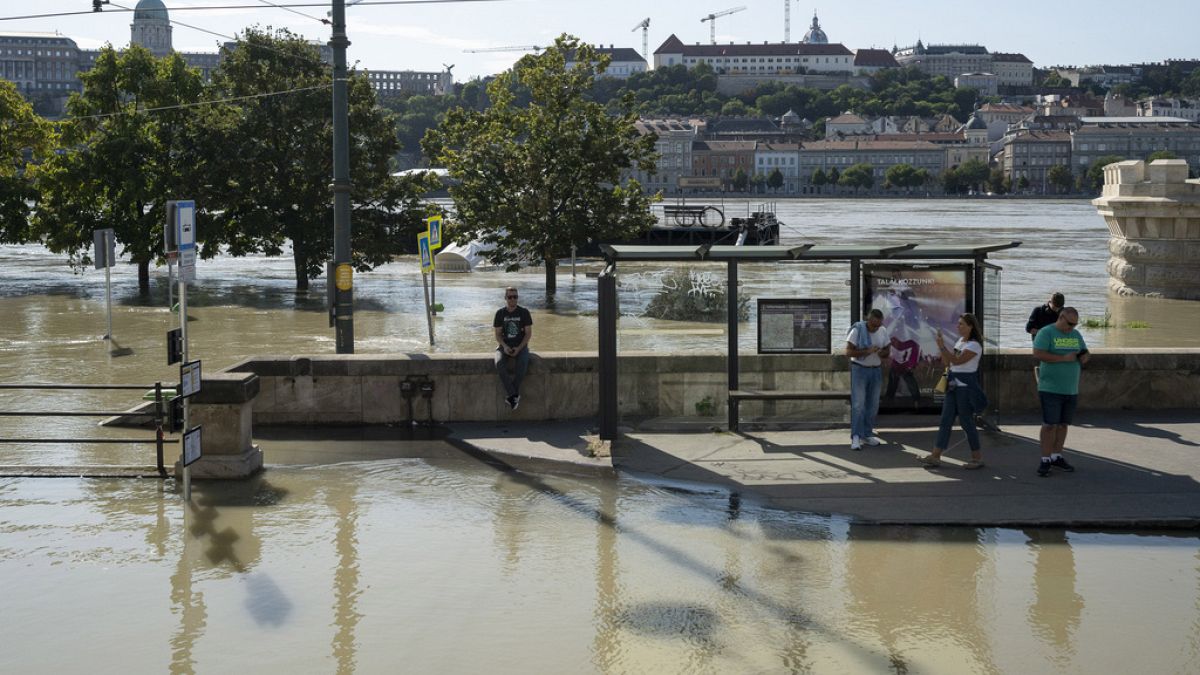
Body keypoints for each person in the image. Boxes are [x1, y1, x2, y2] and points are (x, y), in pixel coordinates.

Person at [919, 314, 988, 470]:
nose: (958, 327)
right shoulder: (961, 342)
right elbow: (948, 362)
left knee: (966, 422)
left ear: (971, 326)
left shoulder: (974, 345)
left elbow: (957, 361)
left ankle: (977, 458)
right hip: (953, 385)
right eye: (958, 324)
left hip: (965, 388)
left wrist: (943, 346)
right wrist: (941, 347)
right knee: (945, 420)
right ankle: (935, 456)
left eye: (962, 324)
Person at [1032, 306, 1089, 477]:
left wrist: (1085, 357)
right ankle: (1045, 459)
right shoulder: (1046, 332)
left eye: (1075, 324)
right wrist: (1062, 358)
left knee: (1063, 424)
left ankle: (1057, 456)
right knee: (1049, 425)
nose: (1072, 327)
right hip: (1050, 388)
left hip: (1071, 388)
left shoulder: (1075, 335)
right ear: (1061, 317)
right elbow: (1038, 353)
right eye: (1070, 323)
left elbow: (1085, 352)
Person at [845, 308, 890, 450]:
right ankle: (856, 436)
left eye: (878, 325)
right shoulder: (857, 330)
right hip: (860, 369)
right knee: (858, 404)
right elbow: (848, 352)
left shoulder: (882, 331)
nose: (876, 328)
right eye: (873, 325)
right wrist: (867, 351)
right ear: (868, 320)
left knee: (873, 404)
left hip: (875, 370)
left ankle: (867, 433)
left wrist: (882, 352)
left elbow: (888, 350)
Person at [493, 287, 533, 410]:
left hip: (521, 346)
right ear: (505, 298)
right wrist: (505, 347)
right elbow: (498, 334)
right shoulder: (500, 313)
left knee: (522, 363)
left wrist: (519, 348)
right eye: (510, 297)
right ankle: (514, 395)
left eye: (515, 296)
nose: (512, 299)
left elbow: (528, 334)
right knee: (499, 363)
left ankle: (512, 396)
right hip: (504, 346)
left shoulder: (524, 312)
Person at [1026, 292, 1064, 382]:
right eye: (1055, 308)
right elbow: (1028, 328)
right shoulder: (1038, 311)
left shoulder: (1062, 312)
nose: (1057, 311)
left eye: (1059, 309)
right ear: (1050, 302)